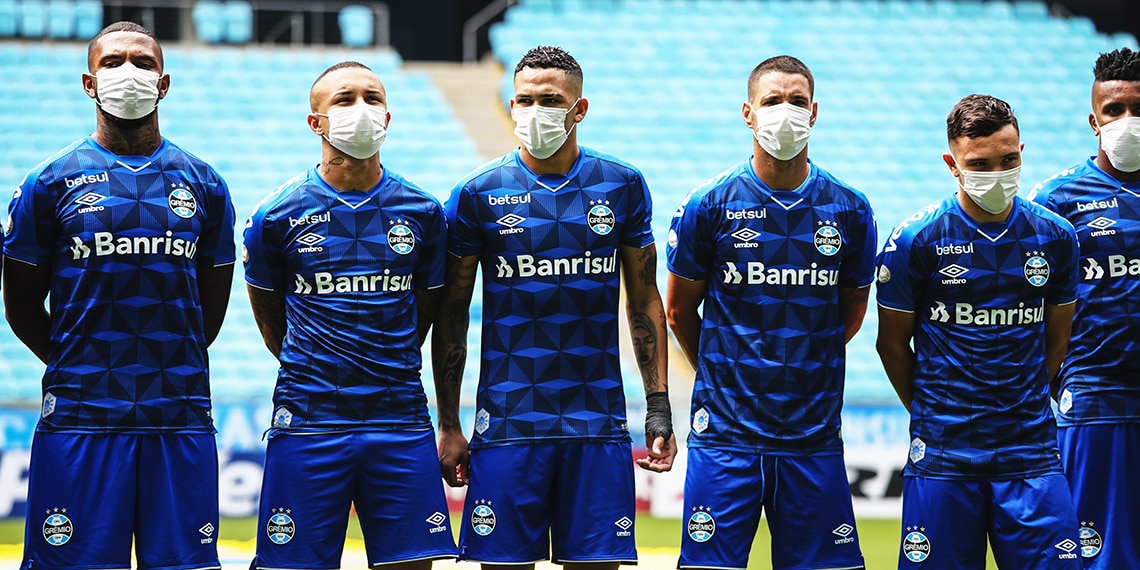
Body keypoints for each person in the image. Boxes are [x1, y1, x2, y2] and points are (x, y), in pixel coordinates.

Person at [432, 45, 676, 569]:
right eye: (523, 99)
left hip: (597, 425)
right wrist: (449, 423)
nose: (534, 110)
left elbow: (644, 300)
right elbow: (451, 315)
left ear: (579, 109)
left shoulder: (622, 185)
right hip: (506, 427)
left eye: (550, 99)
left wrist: (658, 407)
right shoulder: (477, 193)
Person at [3, 21, 234, 570]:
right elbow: (20, 307)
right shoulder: (47, 183)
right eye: (112, 63)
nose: (127, 73)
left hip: (177, 416)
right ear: (89, 82)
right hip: (81, 417)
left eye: (142, 62)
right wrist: (82, 366)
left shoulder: (205, 183)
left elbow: (211, 310)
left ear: (163, 82)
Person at [242, 61, 456, 570]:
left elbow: (422, 317)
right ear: (315, 121)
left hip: (399, 419)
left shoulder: (425, 213)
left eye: (372, 97)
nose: (361, 109)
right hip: (309, 420)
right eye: (344, 99)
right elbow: (273, 324)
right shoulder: (275, 216)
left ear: (387, 116)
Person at [666, 55, 875, 570]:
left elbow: (850, 312)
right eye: (772, 101)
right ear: (747, 112)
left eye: (797, 101)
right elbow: (678, 311)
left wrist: (800, 357)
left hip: (812, 434)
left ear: (815, 111)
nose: (786, 112)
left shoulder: (850, 208)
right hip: (726, 435)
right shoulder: (709, 204)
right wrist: (724, 369)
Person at [876, 94, 1082, 569]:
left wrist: (1024, 397)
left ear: (1023, 152)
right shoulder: (916, 239)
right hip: (944, 455)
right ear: (952, 163)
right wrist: (935, 410)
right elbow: (890, 344)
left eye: (1009, 160)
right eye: (980, 164)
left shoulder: (1054, 236)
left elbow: (1058, 336)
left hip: (1030, 452)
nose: (997, 173)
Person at [1028, 47, 1140, 569]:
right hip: (1094, 398)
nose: (1127, 121)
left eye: (1138, 108)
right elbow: (1027, 305)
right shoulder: (1056, 201)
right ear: (1094, 120)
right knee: (1098, 552)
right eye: (1115, 110)